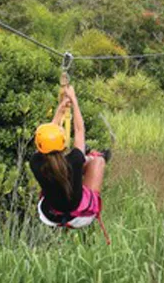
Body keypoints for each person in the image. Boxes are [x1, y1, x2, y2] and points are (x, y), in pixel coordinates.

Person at [30, 85, 107, 228]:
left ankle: (88, 158)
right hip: (79, 216)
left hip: (49, 215)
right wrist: (74, 100)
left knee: (81, 161)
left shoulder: (35, 162)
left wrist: (60, 110)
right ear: (63, 143)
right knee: (98, 161)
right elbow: (79, 129)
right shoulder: (74, 160)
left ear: (39, 145)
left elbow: (49, 135)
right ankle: (92, 158)